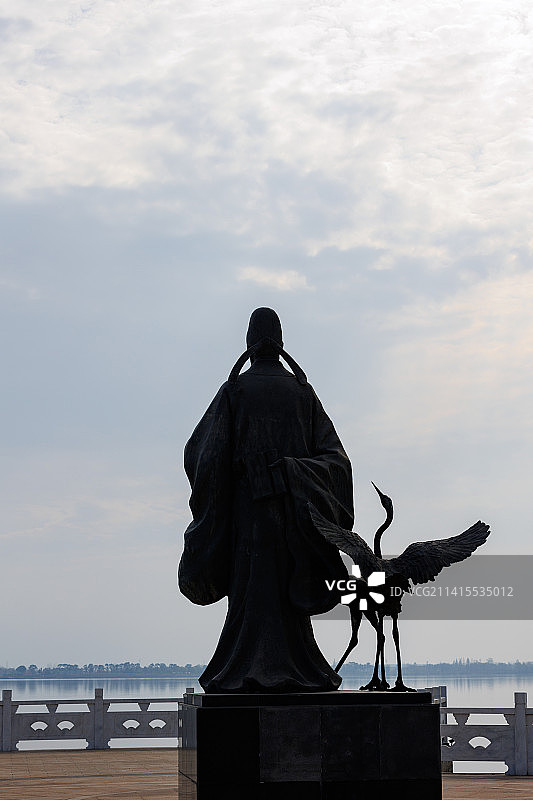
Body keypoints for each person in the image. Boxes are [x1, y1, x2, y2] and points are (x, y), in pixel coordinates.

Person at [178, 308, 354, 693]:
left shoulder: (235, 391)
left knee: (252, 594)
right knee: (281, 598)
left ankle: (241, 669)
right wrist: (297, 473)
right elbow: (336, 462)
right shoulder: (302, 393)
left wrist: (259, 475)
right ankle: (299, 669)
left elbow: (203, 455)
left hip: (248, 519)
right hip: (293, 520)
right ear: (280, 341)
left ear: (249, 341)